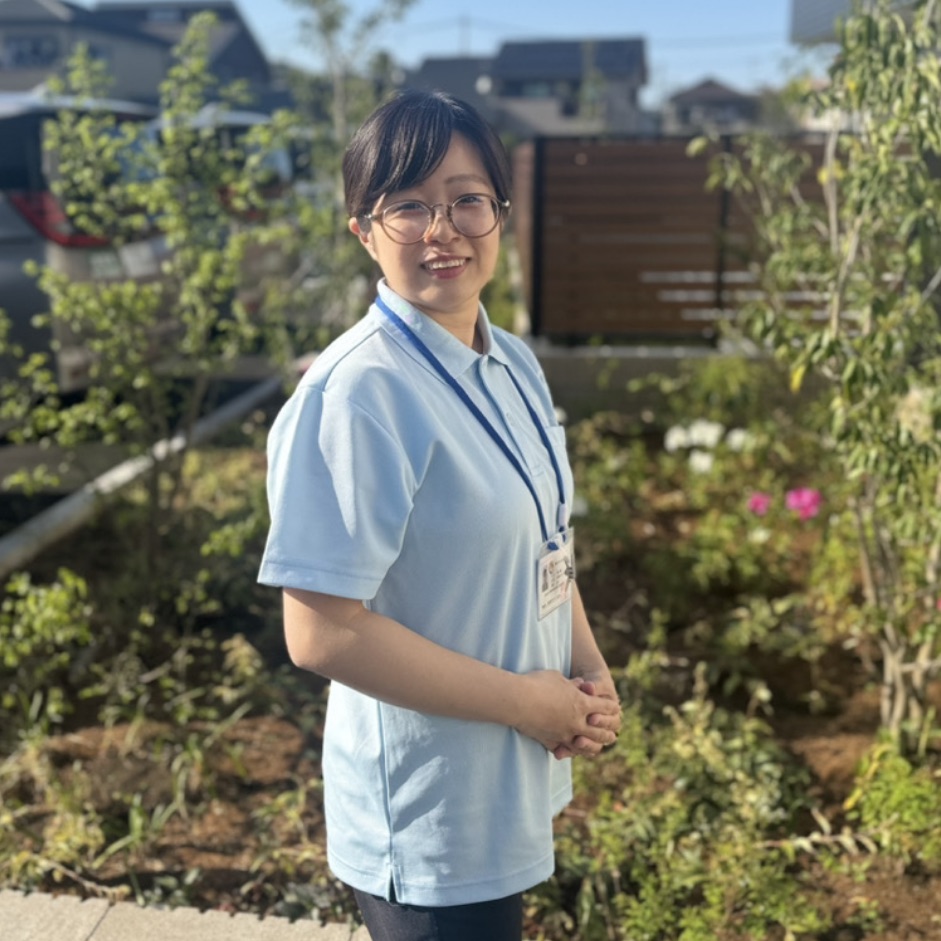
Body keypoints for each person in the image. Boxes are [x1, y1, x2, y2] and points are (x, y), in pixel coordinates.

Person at [258, 89, 621, 941]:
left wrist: (588, 670)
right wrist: (524, 702)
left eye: (466, 200)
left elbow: (545, 540)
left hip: (506, 773)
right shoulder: (358, 393)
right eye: (409, 205)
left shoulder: (511, 360)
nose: (442, 229)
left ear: (500, 214)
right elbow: (320, 632)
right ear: (363, 230)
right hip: (429, 810)